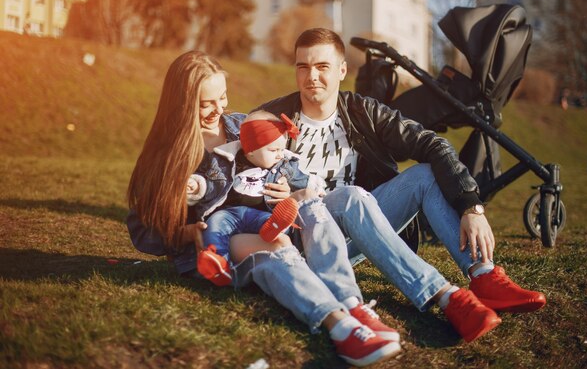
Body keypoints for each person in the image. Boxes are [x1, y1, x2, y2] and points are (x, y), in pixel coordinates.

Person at [256, 28, 547, 342]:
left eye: (321, 66)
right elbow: (234, 172)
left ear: (342, 70)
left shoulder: (362, 112)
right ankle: (447, 298)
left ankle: (483, 275)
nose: (311, 76)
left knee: (422, 175)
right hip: (305, 240)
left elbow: (432, 144)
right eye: (303, 66)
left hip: (356, 230)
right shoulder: (271, 117)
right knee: (352, 196)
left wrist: (471, 206)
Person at [126, 51, 401, 367]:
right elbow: (142, 229)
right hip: (215, 245)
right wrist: (185, 234)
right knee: (277, 246)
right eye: (206, 104)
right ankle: (340, 327)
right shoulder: (167, 155)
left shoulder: (239, 125)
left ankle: (353, 306)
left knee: (312, 208)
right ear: (184, 104)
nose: (219, 109)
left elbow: (278, 162)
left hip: (261, 221)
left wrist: (285, 188)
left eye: (223, 98)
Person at [187, 110, 322, 285]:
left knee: (276, 221)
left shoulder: (284, 166)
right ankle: (218, 262)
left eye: (282, 149)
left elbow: (304, 179)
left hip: (260, 215)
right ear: (250, 151)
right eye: (274, 150)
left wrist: (316, 188)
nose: (280, 154)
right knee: (214, 225)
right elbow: (210, 182)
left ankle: (276, 227)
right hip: (229, 213)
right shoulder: (226, 161)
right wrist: (196, 185)